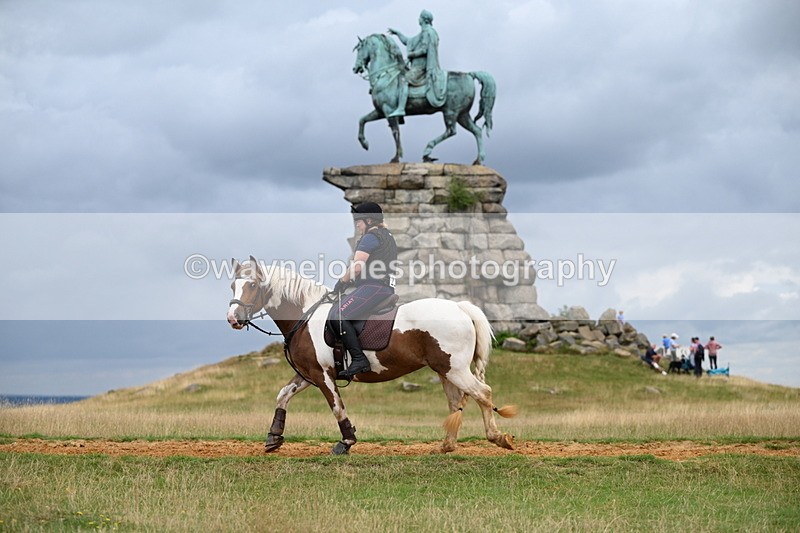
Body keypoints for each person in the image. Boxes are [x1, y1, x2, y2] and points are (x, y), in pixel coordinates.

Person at [328, 202, 398, 379]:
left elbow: (357, 267)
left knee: (338, 315)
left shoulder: (370, 237)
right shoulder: (387, 236)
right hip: (385, 287)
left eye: (358, 222)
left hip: (373, 287)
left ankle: (359, 359)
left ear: (369, 220)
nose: (357, 226)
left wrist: (341, 282)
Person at [387, 9, 447, 117]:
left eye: (420, 17)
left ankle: (401, 108)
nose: (418, 19)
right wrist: (398, 33)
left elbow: (424, 50)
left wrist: (412, 54)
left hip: (421, 68)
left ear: (423, 19)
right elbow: (408, 41)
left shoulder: (427, 32)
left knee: (404, 80)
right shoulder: (424, 32)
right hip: (417, 67)